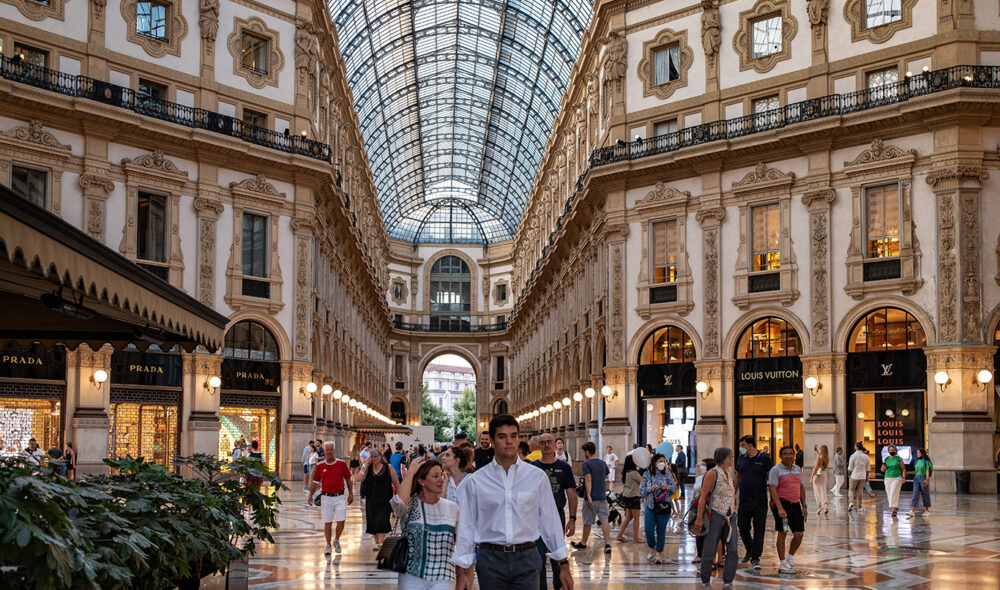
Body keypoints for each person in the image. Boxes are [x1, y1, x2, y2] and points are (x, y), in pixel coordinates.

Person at [452, 414, 574, 590]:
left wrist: (563, 564)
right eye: (502, 436)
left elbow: (550, 520)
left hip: (527, 558)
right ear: (493, 441)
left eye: (513, 436)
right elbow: (467, 525)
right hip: (491, 559)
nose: (509, 441)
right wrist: (462, 572)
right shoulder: (477, 480)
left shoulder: (536, 477)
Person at [391, 457, 460, 589]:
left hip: (444, 574)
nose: (441, 479)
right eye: (435, 476)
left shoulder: (452, 508)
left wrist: (463, 574)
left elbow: (462, 542)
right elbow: (398, 504)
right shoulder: (410, 506)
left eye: (441, 475)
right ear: (422, 481)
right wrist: (410, 473)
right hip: (412, 575)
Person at [532, 432, 578, 590]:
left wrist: (572, 518)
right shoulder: (533, 468)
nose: (546, 445)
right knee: (538, 556)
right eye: (542, 442)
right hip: (536, 517)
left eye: (549, 442)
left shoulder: (564, 467)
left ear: (554, 444)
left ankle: (560, 586)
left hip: (557, 515)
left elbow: (571, 493)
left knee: (558, 554)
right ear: (539, 446)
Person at [694, 448, 738, 586]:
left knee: (732, 549)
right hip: (715, 515)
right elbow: (703, 496)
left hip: (730, 516)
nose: (733, 459)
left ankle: (728, 581)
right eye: (731, 457)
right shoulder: (713, 473)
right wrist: (699, 518)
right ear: (725, 458)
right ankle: (706, 580)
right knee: (710, 549)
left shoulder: (728, 473)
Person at [308, 441, 354, 555]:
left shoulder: (341, 464)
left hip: (339, 497)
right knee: (327, 522)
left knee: (341, 520)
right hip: (326, 497)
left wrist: (351, 493)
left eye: (331, 450)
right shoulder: (320, 466)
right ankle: (328, 545)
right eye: (327, 450)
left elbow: (348, 479)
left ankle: (337, 540)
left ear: (334, 451)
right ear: (324, 451)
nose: (329, 452)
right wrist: (310, 495)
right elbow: (315, 481)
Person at [768, 446, 807, 574]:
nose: (788, 456)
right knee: (783, 532)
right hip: (782, 505)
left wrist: (804, 505)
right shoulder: (775, 470)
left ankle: (790, 557)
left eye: (791, 453)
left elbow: (801, 487)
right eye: (785, 454)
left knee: (799, 534)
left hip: (795, 505)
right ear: (780, 456)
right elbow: (773, 489)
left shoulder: (797, 469)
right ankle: (783, 562)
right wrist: (779, 508)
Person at [735, 434, 772, 570]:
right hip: (744, 499)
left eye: (743, 445)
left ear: (750, 446)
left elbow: (771, 477)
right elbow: (737, 477)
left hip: (760, 500)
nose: (741, 448)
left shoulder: (764, 459)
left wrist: (773, 497)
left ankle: (755, 557)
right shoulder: (741, 459)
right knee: (742, 527)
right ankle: (750, 548)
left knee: (759, 529)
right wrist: (732, 495)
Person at [572, 442, 611, 554]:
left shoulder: (586, 464)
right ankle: (607, 544)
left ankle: (583, 543)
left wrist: (588, 495)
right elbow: (606, 477)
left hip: (591, 497)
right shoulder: (603, 463)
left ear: (587, 452)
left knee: (588, 521)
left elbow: (588, 479)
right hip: (602, 496)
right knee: (604, 520)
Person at [357, 448, 399, 551]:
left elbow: (396, 482)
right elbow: (358, 479)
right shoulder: (368, 468)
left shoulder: (388, 467)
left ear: (380, 457)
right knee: (372, 521)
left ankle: (381, 542)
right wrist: (365, 465)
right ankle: (376, 543)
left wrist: (401, 496)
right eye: (372, 457)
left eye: (376, 456)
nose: (374, 459)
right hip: (371, 499)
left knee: (382, 520)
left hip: (385, 499)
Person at [639, 453, 677, 564]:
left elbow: (674, 488)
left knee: (661, 531)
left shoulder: (668, 474)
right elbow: (641, 489)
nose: (662, 463)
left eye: (664, 461)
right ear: (654, 463)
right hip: (650, 505)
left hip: (664, 506)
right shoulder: (647, 474)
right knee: (648, 530)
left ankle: (659, 553)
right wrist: (649, 489)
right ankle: (652, 546)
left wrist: (667, 487)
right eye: (660, 461)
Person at [690, 458, 715, 566]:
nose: (701, 467)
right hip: (698, 505)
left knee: (711, 532)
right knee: (698, 532)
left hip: (709, 507)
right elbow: (695, 492)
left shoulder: (713, 477)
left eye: (704, 465)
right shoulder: (699, 478)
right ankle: (699, 554)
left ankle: (713, 557)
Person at [616, 455, 641, 544]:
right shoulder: (634, 473)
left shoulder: (626, 472)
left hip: (627, 496)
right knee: (636, 518)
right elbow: (642, 481)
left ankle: (619, 535)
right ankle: (636, 538)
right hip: (634, 496)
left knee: (628, 517)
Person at [881, 444, 907, 518]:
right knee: (889, 494)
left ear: (896, 450)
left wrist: (904, 477)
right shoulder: (886, 459)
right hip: (887, 478)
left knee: (893, 492)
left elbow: (903, 469)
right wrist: (883, 468)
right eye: (890, 450)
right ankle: (895, 509)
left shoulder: (899, 459)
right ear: (888, 451)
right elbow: (882, 469)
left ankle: (894, 510)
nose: (891, 451)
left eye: (893, 450)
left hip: (897, 478)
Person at [907, 448, 933, 517]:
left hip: (923, 478)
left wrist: (926, 480)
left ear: (922, 453)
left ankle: (927, 510)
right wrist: (909, 473)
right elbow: (916, 471)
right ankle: (912, 510)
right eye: (917, 453)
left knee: (925, 494)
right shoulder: (916, 461)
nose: (917, 454)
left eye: (919, 453)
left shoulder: (926, 462)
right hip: (916, 478)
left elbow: (927, 472)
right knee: (915, 494)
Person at [847, 442, 871, 512]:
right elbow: (868, 469)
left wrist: (849, 474)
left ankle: (851, 502)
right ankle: (859, 506)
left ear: (856, 447)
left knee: (851, 490)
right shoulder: (866, 456)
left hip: (854, 475)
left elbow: (850, 468)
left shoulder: (853, 456)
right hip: (862, 476)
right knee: (860, 491)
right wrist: (867, 477)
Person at [810, 445, 830, 515]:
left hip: (817, 475)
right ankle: (825, 506)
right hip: (824, 474)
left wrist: (811, 477)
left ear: (821, 450)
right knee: (823, 491)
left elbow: (815, 468)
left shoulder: (819, 457)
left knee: (817, 491)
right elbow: (820, 457)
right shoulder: (826, 458)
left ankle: (819, 507)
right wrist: (816, 452)